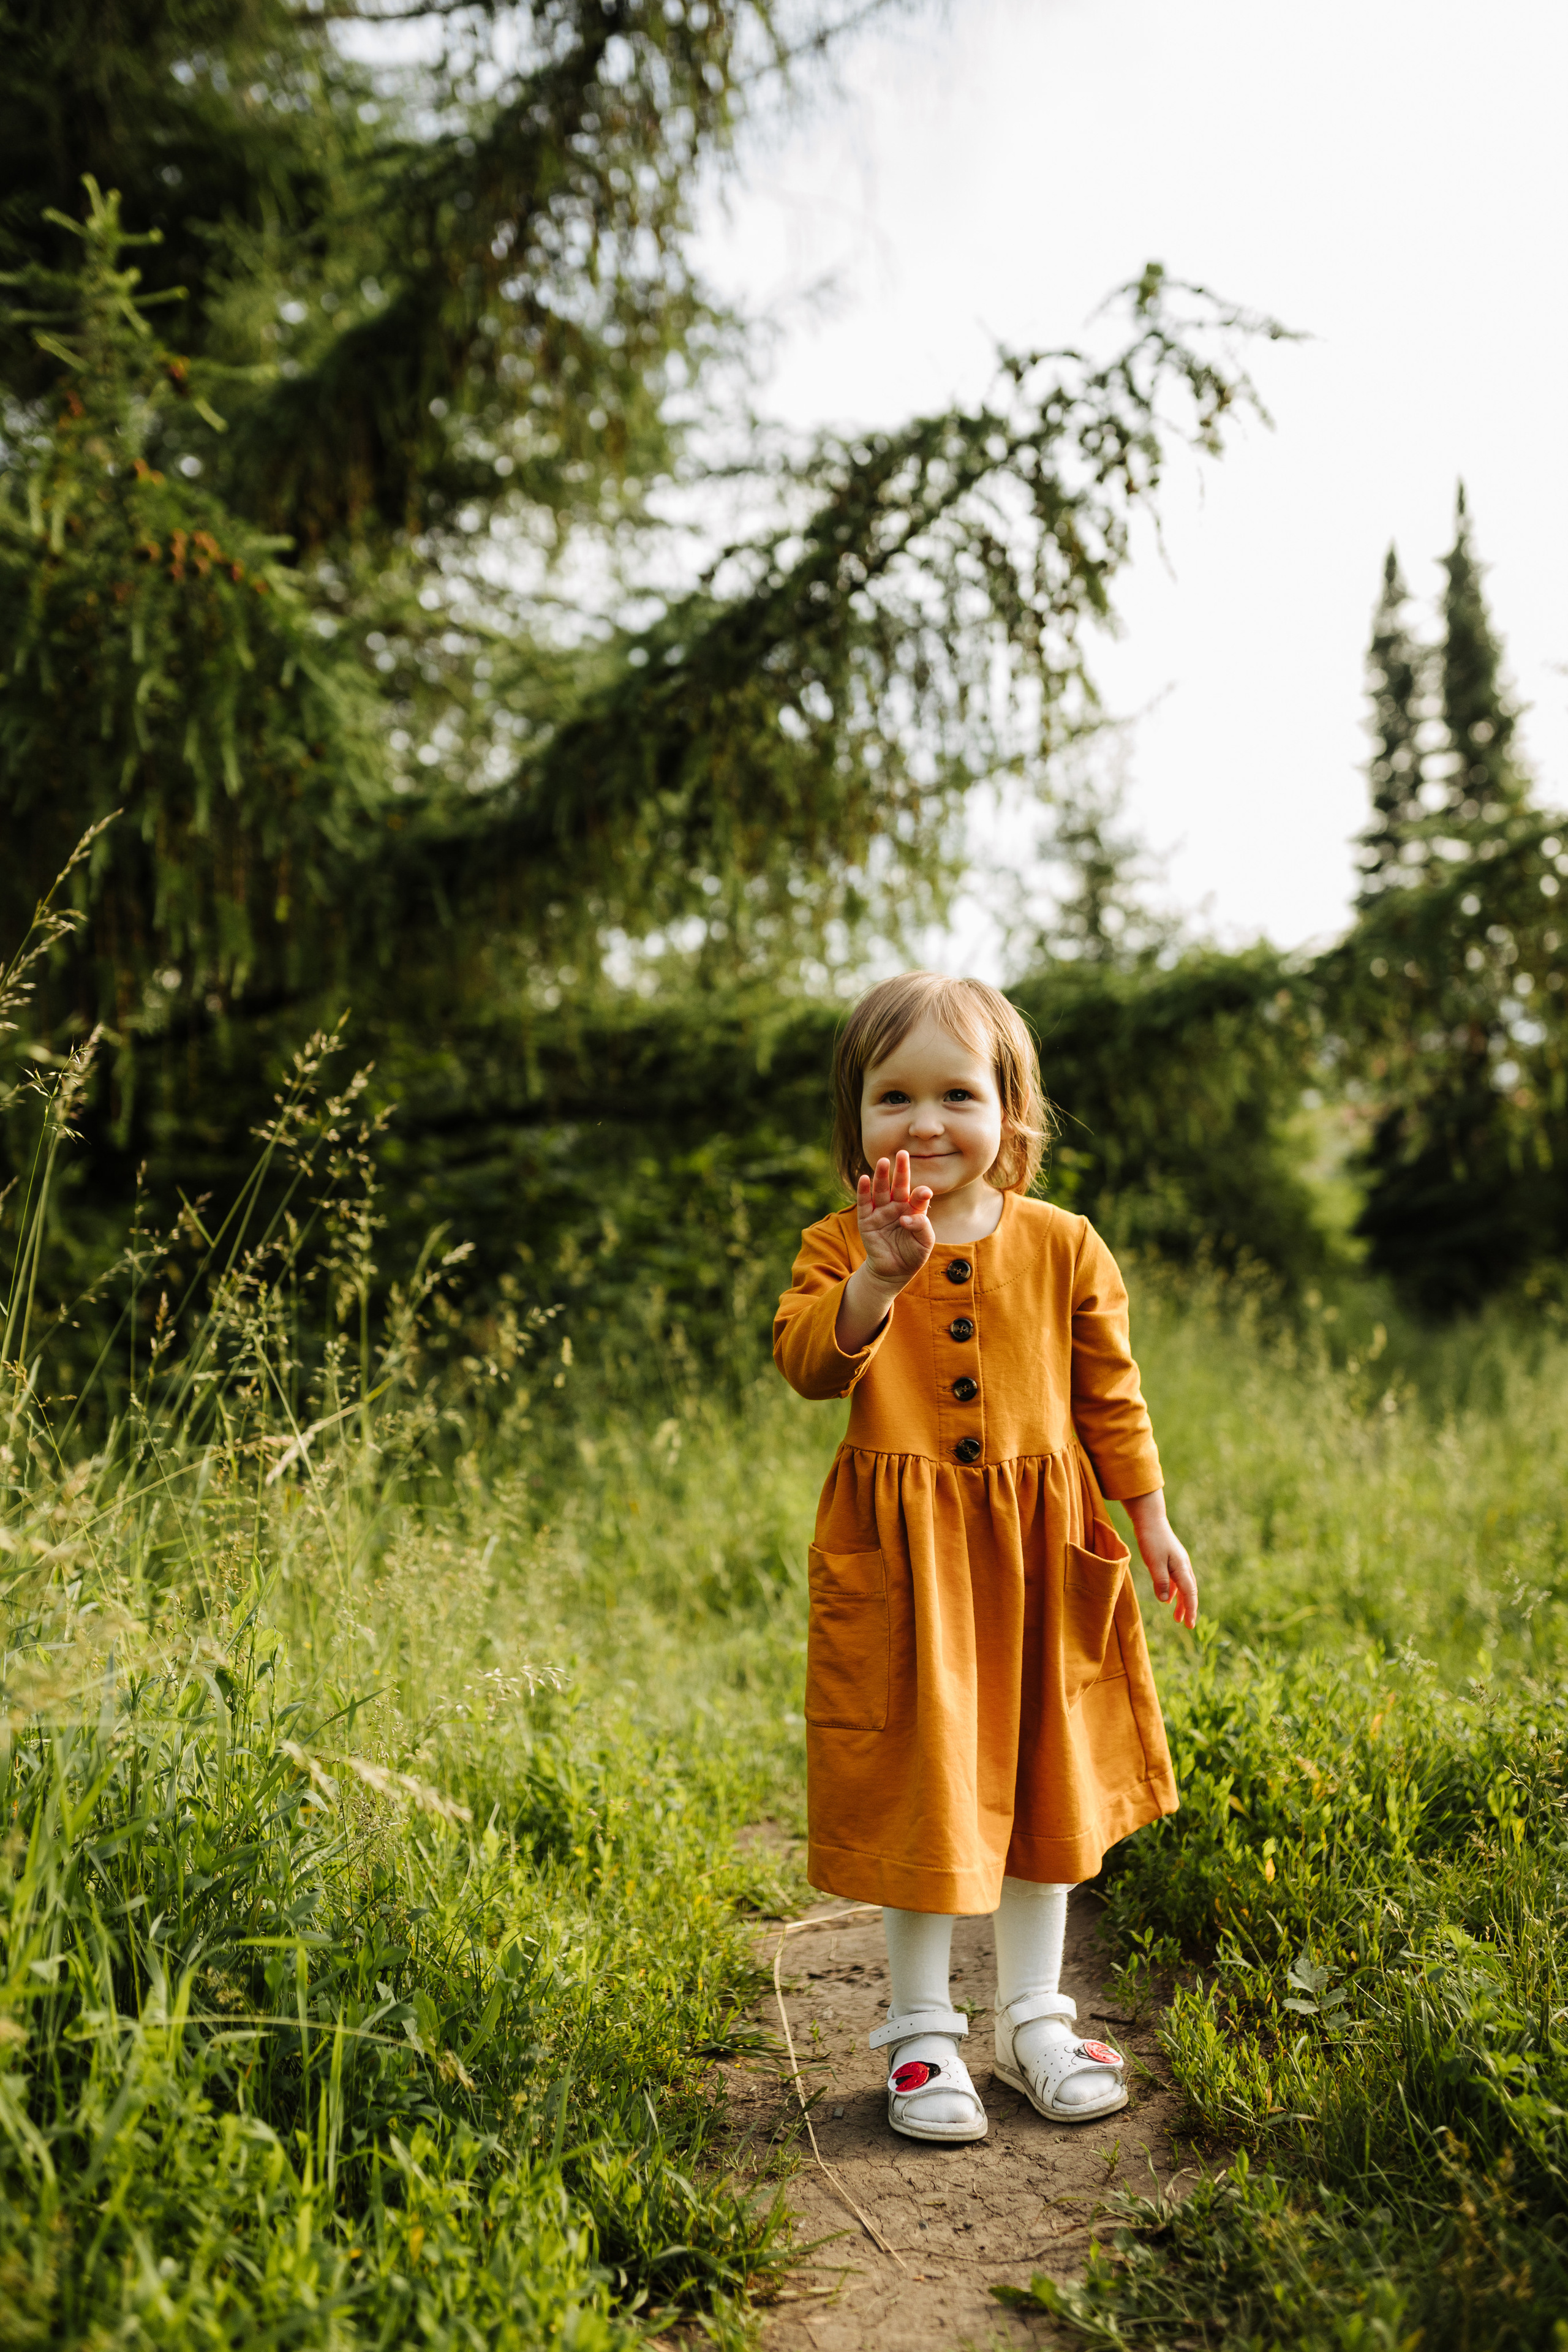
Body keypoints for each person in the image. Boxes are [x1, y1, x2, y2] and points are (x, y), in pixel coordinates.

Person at [773, 971, 1197, 2144]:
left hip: (1041, 1554)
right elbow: (809, 1359)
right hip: (905, 1566)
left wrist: (1149, 1520)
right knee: (926, 1782)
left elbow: (1111, 1398)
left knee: (1042, 1780)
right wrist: (877, 1276)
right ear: (854, 1123)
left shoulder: (1065, 1246)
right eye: (890, 1096)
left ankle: (1031, 2022)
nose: (923, 1122)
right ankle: (919, 2032)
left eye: (956, 1093)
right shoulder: (838, 1247)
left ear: (1013, 1114)